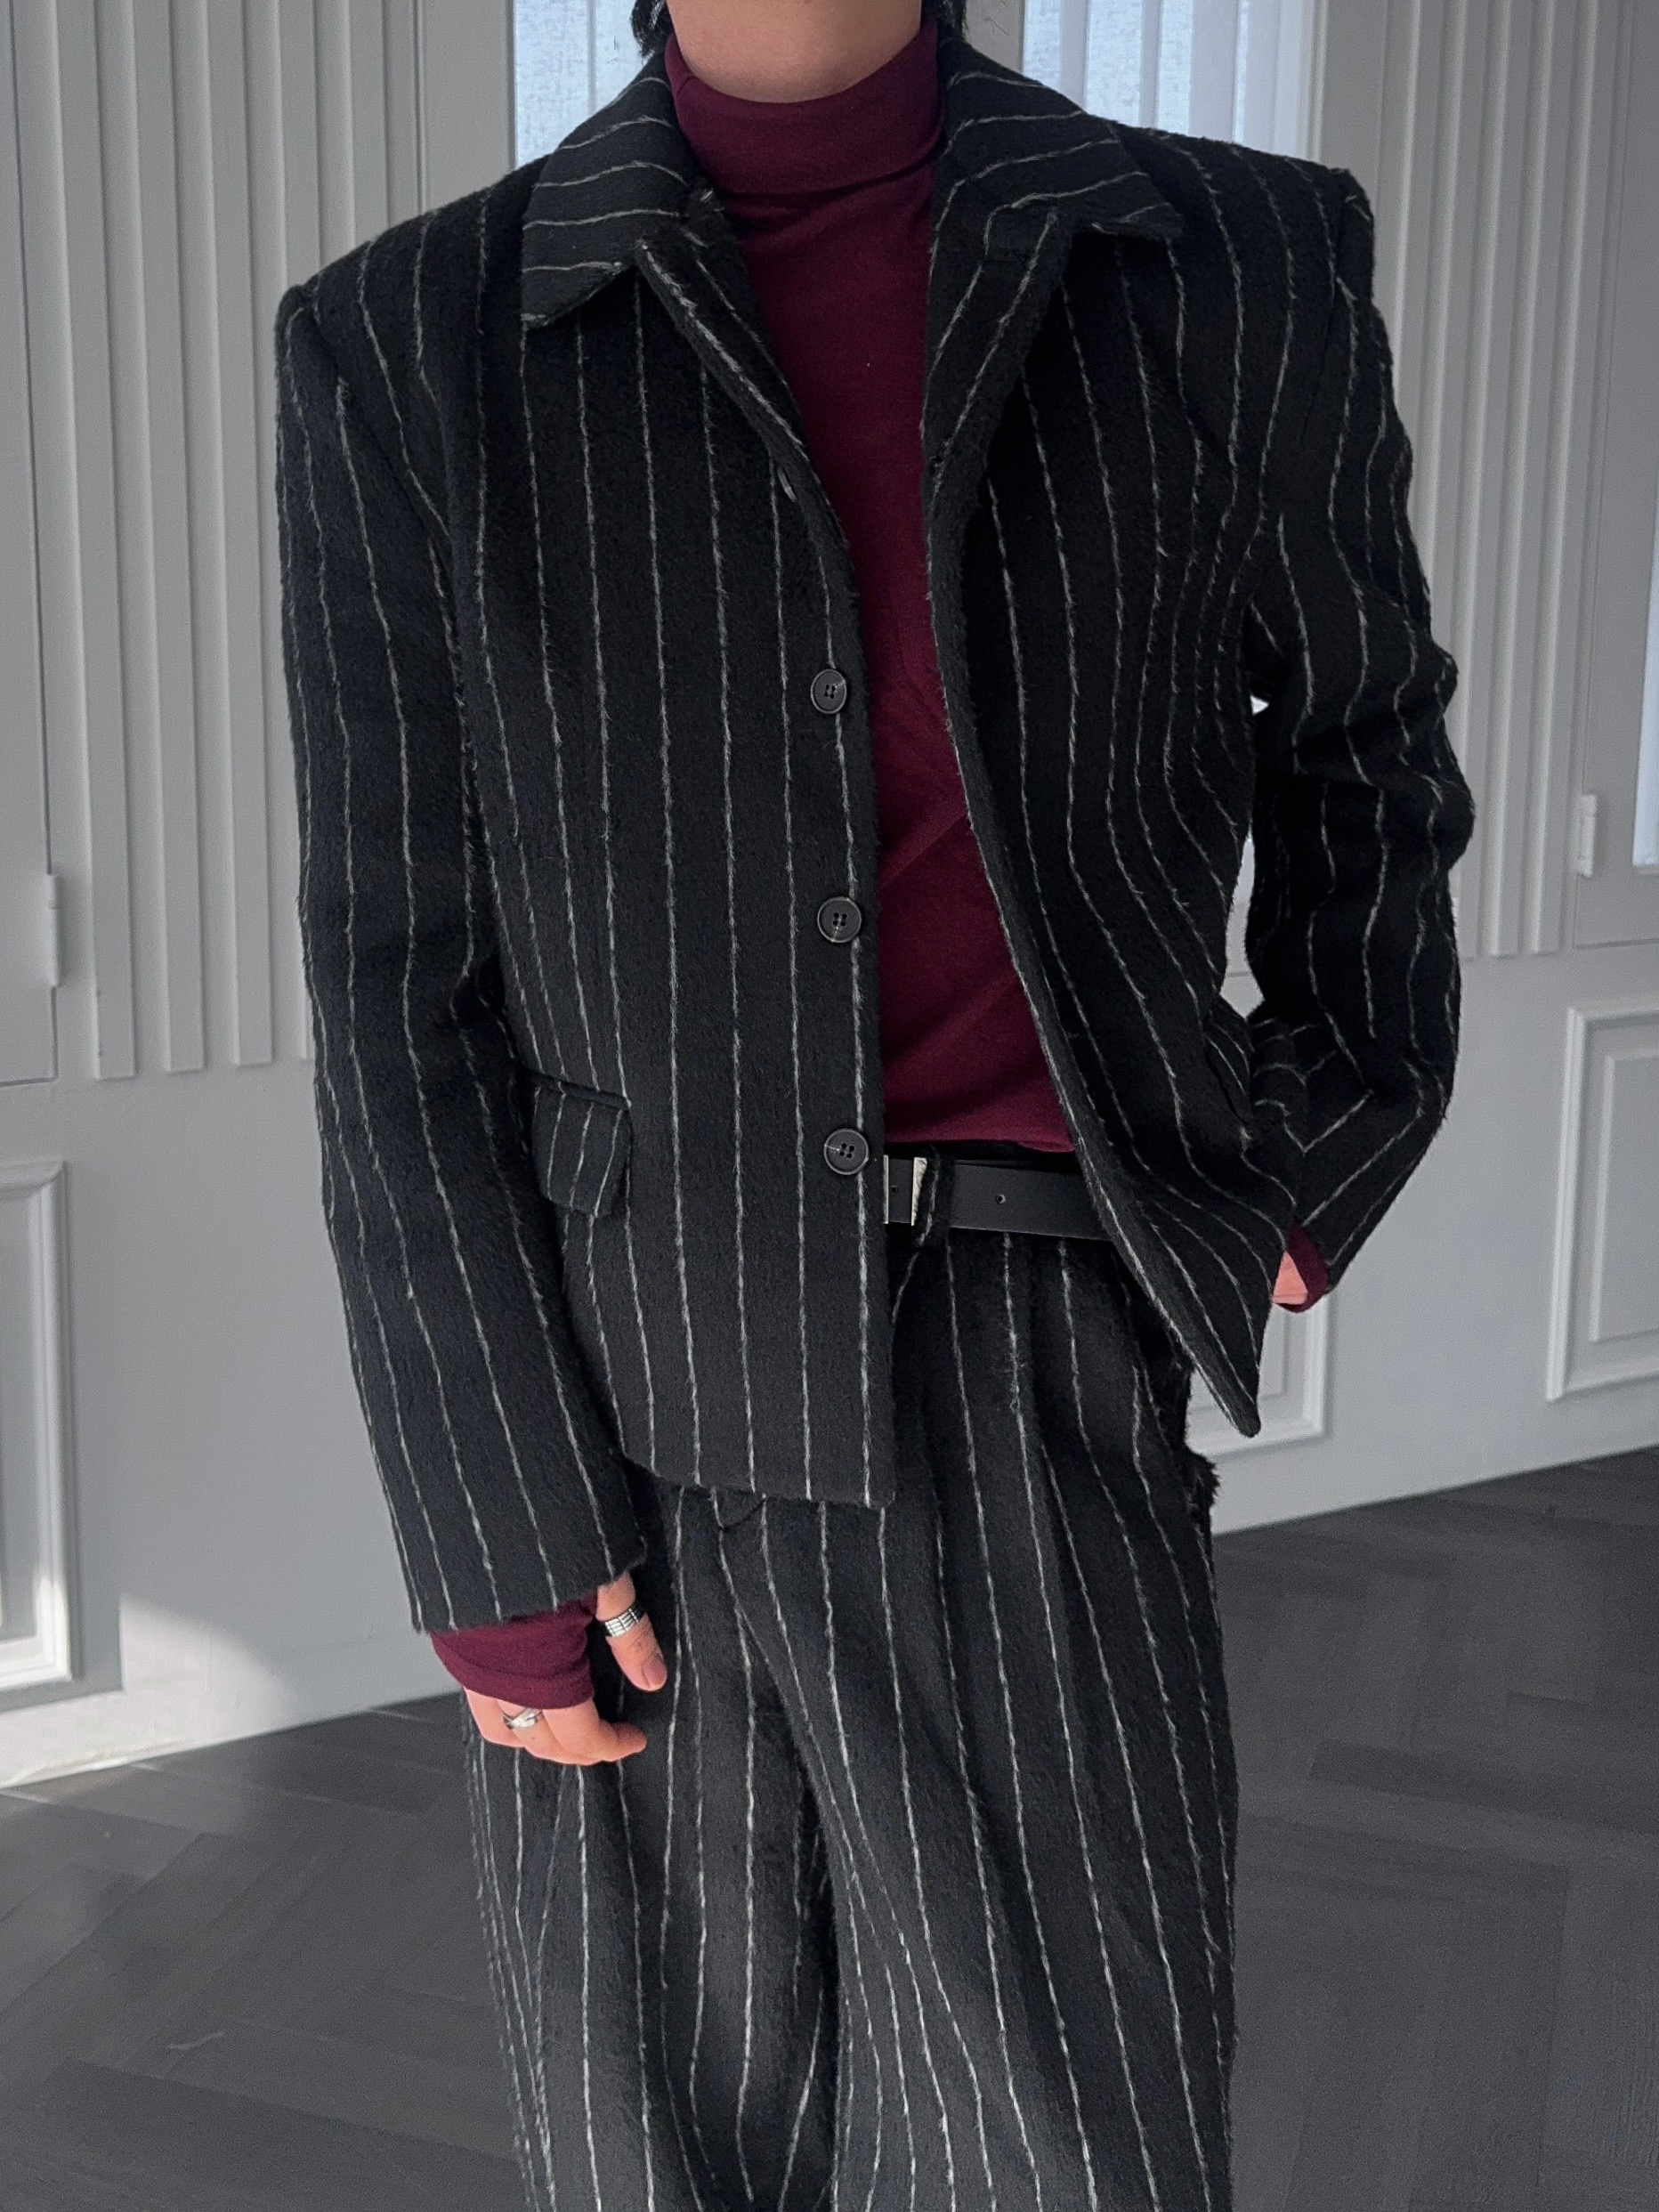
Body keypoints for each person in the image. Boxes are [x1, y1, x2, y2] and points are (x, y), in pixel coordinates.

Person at [273, 0, 1474, 2203]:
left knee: (1070, 2134)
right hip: (620, 1394)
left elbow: (1364, 752)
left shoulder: (1226, 257)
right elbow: (398, 981)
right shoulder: (413, 336)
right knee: (663, 2142)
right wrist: (487, 1511)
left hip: (1040, 1361)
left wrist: (1320, 1137)